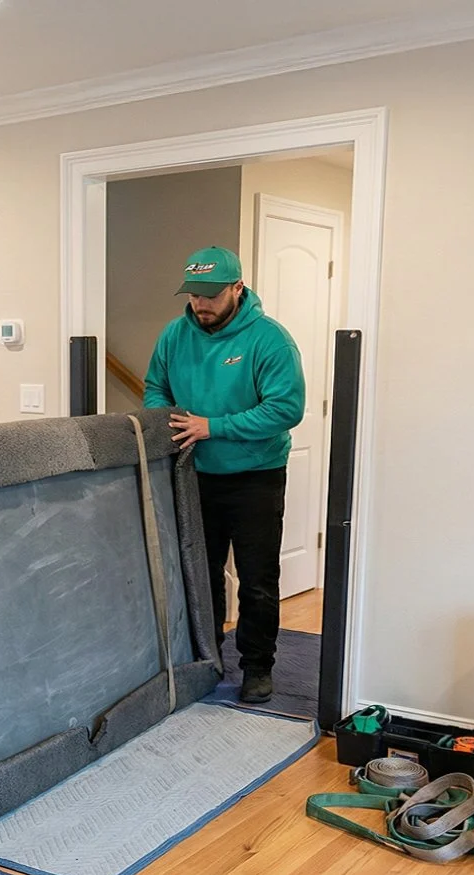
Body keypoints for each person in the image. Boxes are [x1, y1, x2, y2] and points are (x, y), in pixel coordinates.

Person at [143, 246, 305, 705]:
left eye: (212, 295)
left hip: (256, 475)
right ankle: (208, 659)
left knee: (256, 579)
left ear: (238, 288)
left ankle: (257, 667)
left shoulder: (269, 339)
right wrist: (168, 422)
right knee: (201, 572)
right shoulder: (175, 336)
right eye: (194, 294)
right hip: (194, 474)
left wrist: (212, 427)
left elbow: (285, 409)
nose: (201, 304)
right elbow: (156, 388)